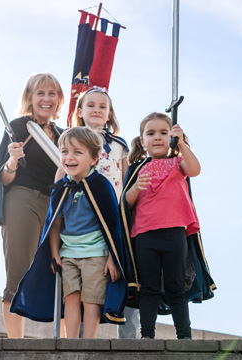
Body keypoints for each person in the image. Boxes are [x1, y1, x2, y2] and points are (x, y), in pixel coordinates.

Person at [10, 126, 127, 338]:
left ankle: (88, 341)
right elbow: (54, 222)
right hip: (69, 254)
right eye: (64, 152)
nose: (69, 157)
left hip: (96, 253)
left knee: (91, 299)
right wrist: (54, 253)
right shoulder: (61, 187)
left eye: (77, 152)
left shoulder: (101, 185)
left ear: (93, 158)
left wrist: (113, 257)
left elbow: (112, 224)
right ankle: (71, 340)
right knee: (70, 297)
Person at [0, 72, 65, 338]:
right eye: (40, 93)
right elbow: (4, 178)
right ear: (30, 97)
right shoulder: (19, 127)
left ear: (59, 99)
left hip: (55, 208)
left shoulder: (64, 136)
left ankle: (67, 340)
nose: (46, 98)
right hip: (23, 200)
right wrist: (13, 161)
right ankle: (16, 343)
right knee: (19, 272)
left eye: (52, 93)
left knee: (62, 272)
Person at [121, 112, 216, 340]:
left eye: (164, 133)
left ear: (171, 137)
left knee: (175, 286)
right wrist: (135, 188)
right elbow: (125, 202)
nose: (157, 137)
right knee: (149, 287)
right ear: (142, 140)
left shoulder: (178, 163)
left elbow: (195, 169)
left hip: (175, 233)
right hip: (145, 236)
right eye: (151, 133)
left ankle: (184, 335)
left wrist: (181, 143)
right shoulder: (136, 168)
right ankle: (147, 336)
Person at [72, 87, 139, 339]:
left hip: (114, 217)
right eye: (91, 105)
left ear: (110, 113)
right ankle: (80, 341)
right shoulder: (70, 141)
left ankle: (130, 342)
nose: (97, 110)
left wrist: (127, 215)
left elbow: (127, 182)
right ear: (80, 112)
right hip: (84, 218)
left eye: (103, 106)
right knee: (83, 281)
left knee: (123, 273)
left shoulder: (119, 146)